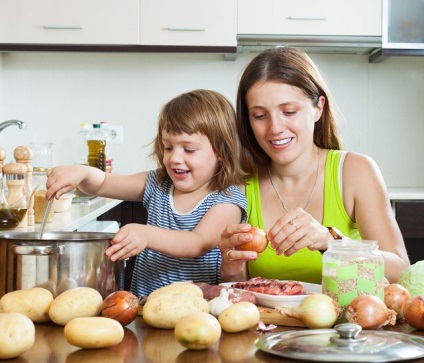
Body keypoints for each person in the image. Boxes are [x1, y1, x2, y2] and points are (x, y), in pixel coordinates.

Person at [219, 47, 410, 285]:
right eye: (260, 115)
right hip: (273, 323)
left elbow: (400, 270)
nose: (275, 127)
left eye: (289, 111)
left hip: (346, 321)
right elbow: (240, 288)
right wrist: (230, 266)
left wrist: (331, 241)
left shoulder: (355, 171)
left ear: (318, 108)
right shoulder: (241, 186)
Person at [46, 89, 248, 296]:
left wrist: (146, 234)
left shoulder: (227, 200)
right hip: (145, 308)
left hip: (199, 314)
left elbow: (198, 243)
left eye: (188, 149)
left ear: (221, 152)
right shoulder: (157, 182)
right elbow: (103, 184)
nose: (174, 158)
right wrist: (84, 173)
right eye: (168, 147)